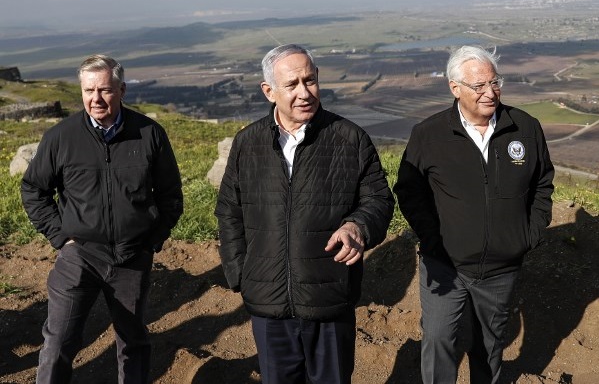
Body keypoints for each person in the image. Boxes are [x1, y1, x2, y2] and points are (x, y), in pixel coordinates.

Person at [214, 43, 394, 384]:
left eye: (309, 81)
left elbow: (380, 201)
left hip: (329, 297)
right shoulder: (248, 143)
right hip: (268, 304)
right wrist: (241, 273)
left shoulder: (350, 139)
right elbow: (228, 211)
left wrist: (358, 226)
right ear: (269, 91)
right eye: (292, 84)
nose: (304, 92)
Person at [393, 45, 555, 384]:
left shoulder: (524, 128)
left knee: (490, 345)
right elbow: (410, 191)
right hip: (444, 266)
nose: (490, 92)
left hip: (501, 267)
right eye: (479, 86)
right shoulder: (429, 134)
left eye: (495, 82)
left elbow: (542, 182)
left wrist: (530, 234)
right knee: (439, 341)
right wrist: (433, 240)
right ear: (455, 88)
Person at [21, 54, 184, 384]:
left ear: (122, 90)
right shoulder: (61, 137)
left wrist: (152, 239)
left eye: (105, 90)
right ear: (81, 91)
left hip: (131, 256)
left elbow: (170, 194)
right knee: (58, 342)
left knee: (133, 342)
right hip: (79, 255)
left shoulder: (149, 133)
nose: (96, 99)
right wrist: (60, 237)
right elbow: (33, 189)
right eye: (88, 90)